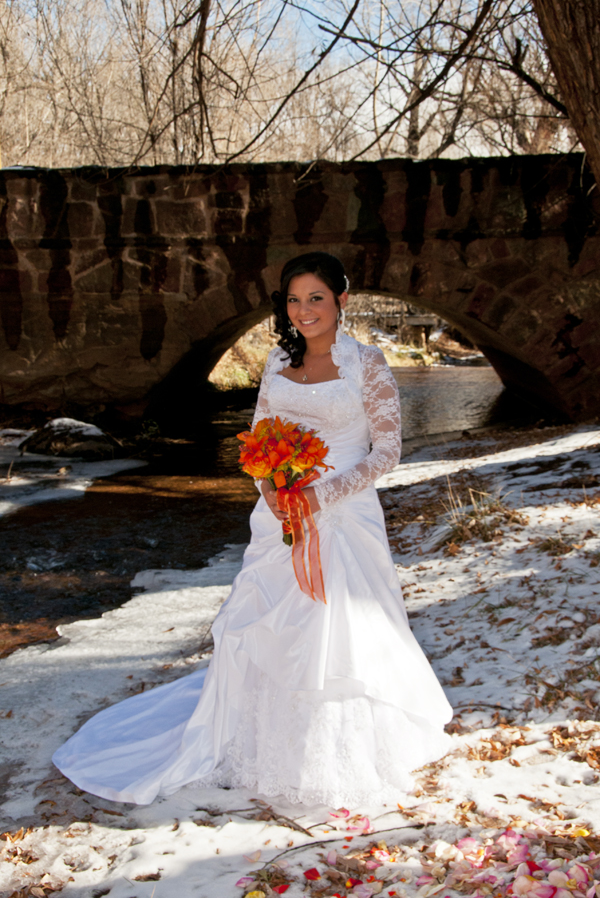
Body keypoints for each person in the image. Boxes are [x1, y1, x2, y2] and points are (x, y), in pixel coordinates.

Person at [53, 252, 452, 808]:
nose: (304, 310)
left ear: (341, 300)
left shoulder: (369, 362)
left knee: (337, 629)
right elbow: (259, 435)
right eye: (294, 299)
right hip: (280, 510)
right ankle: (256, 743)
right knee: (269, 624)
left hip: (343, 513)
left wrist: (319, 497)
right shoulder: (276, 360)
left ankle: (334, 754)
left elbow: (386, 451)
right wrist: (270, 488)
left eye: (316, 298)